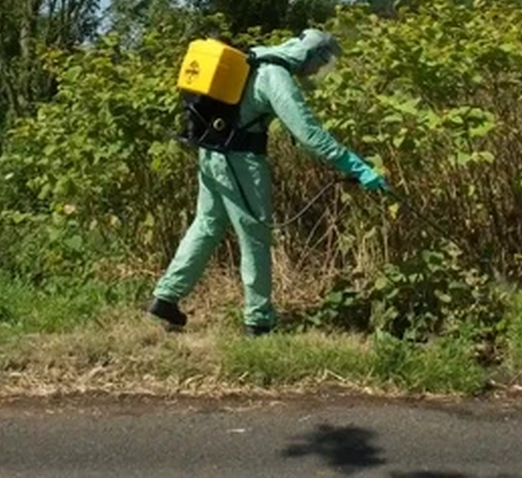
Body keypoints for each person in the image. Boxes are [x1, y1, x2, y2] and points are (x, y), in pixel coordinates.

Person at [147, 28, 388, 336]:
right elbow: (309, 133)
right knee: (255, 236)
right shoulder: (276, 76)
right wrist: (357, 167)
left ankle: (166, 297)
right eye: (321, 63)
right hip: (240, 159)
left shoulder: (258, 54)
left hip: (211, 153)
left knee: (207, 224)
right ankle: (259, 320)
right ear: (312, 54)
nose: (317, 72)